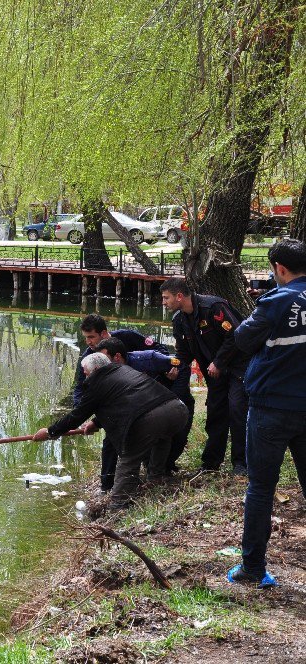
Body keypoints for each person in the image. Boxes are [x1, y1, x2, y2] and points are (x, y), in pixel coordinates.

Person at [226, 239, 306, 589]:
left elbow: (243, 339)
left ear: (280, 269)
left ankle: (253, 569)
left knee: (260, 488)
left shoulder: (277, 301)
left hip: (271, 408)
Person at [34, 353, 189, 509]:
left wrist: (50, 432)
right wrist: (96, 423)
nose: (84, 375)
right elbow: (125, 400)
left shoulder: (97, 383)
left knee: (129, 458)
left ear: (95, 369)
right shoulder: (123, 369)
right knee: (162, 437)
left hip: (151, 417)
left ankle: (118, 505)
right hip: (178, 410)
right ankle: (155, 479)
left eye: (85, 371)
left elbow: (77, 415)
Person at [72, 314, 190, 489]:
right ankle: (107, 485)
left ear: (104, 334)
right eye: (86, 338)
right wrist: (83, 413)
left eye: (91, 337)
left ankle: (161, 470)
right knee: (112, 440)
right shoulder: (88, 358)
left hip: (156, 396)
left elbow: (163, 354)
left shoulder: (131, 340)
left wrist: (167, 374)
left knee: (171, 433)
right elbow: (81, 387)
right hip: (122, 404)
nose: (88, 342)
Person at [161, 277, 249, 474]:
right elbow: (183, 352)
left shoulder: (213, 307)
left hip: (238, 367)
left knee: (237, 411)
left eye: (166, 298)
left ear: (179, 296)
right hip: (214, 374)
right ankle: (210, 464)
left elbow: (236, 335)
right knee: (216, 414)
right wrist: (174, 367)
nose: (163, 302)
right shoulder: (179, 320)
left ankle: (241, 464)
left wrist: (219, 362)